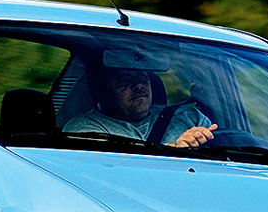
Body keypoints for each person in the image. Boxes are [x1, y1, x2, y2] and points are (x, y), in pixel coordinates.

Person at [63, 60, 217, 148]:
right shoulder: (83, 128)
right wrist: (175, 149)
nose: (138, 86)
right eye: (124, 81)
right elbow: (118, 170)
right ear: (100, 92)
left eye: (142, 78)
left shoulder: (188, 117)